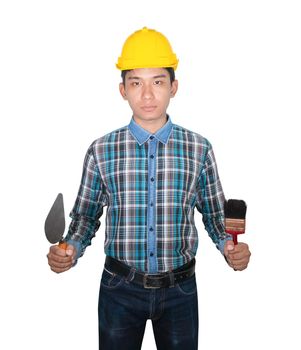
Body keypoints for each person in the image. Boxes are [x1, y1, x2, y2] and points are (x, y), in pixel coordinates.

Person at [47, 27, 251, 350]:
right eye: (136, 83)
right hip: (119, 289)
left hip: (180, 292)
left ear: (174, 86)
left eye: (157, 82)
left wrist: (230, 247)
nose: (147, 94)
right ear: (122, 90)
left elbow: (215, 215)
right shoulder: (101, 151)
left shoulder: (199, 150)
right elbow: (85, 218)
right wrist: (70, 249)